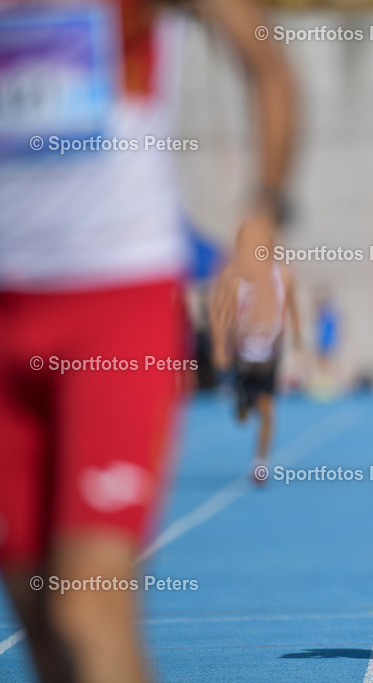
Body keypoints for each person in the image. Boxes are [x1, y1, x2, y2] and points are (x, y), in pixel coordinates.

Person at [0, 0, 296, 678]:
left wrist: (261, 217)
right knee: (40, 621)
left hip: (114, 297)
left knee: (85, 604)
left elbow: (266, 64)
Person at [209, 233, 302, 485]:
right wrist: (220, 345)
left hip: (270, 354)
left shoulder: (281, 276)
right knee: (242, 415)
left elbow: (292, 307)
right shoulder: (235, 277)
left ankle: (260, 464)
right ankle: (241, 402)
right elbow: (220, 313)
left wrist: (298, 340)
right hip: (243, 354)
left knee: (268, 409)